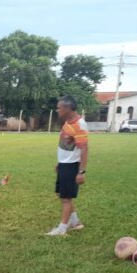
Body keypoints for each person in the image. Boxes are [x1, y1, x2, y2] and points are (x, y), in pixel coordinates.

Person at [46, 95, 88, 236]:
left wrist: (81, 172)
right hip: (65, 164)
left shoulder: (79, 124)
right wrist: (60, 162)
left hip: (72, 165)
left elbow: (84, 148)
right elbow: (67, 144)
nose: (57, 110)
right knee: (62, 194)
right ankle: (75, 222)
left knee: (66, 198)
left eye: (59, 107)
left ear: (68, 108)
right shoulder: (68, 122)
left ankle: (62, 228)